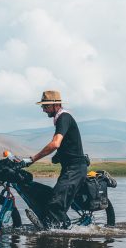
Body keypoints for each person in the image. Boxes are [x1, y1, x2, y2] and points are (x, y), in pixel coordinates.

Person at [21, 90, 87, 229]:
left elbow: (56, 143)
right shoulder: (59, 119)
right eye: (42, 106)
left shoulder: (64, 117)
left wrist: (33, 159)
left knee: (55, 202)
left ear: (56, 105)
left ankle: (62, 232)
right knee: (54, 198)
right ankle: (54, 228)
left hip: (75, 169)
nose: (43, 109)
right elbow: (65, 143)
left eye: (46, 106)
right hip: (69, 168)